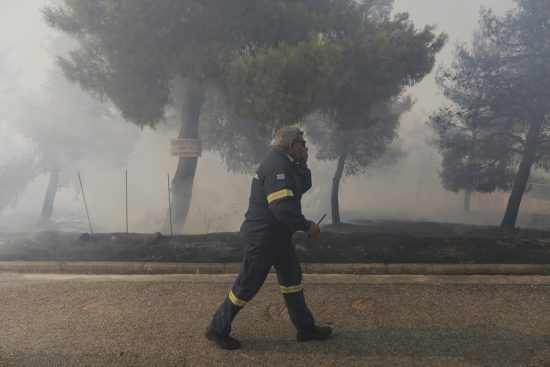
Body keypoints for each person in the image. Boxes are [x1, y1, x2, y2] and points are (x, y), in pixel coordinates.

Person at [205, 126, 332, 350]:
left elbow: (304, 186)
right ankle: (217, 328)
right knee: (246, 287)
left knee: (292, 281)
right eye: (302, 144)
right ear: (292, 145)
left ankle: (305, 328)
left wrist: (303, 162)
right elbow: (281, 208)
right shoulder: (277, 167)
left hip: (279, 237)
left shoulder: (288, 164)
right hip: (263, 238)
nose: (305, 147)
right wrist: (306, 226)